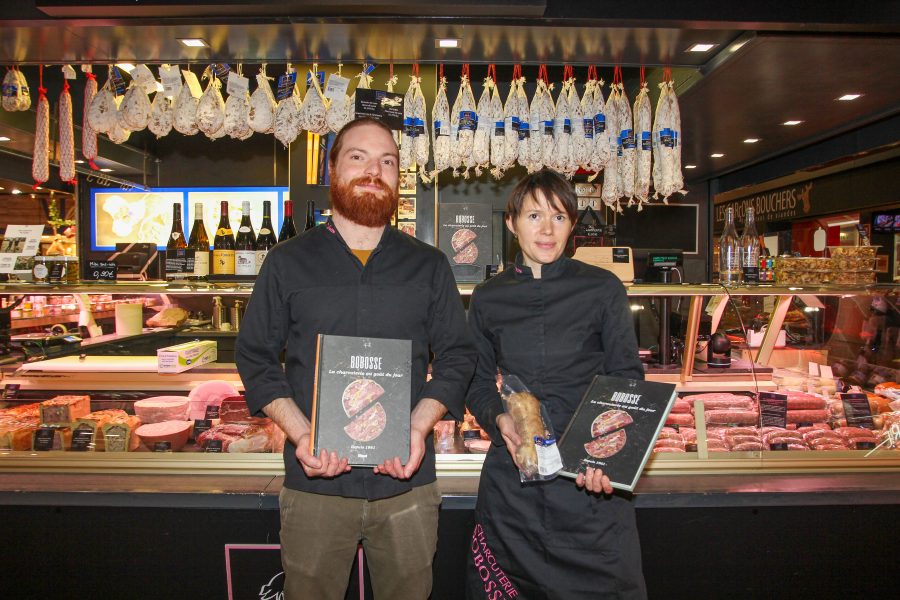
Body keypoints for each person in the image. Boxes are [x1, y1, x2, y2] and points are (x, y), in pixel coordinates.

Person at [235, 116, 476, 600]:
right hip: (315, 486)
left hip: (407, 486)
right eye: (358, 157)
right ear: (332, 171)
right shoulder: (287, 261)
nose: (374, 170)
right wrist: (302, 434)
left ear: (397, 177)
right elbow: (255, 356)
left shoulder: (428, 265)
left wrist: (416, 427)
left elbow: (457, 356)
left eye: (387, 161)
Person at [465, 169, 647, 599]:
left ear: (572, 225)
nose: (547, 229)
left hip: (590, 490)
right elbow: (474, 381)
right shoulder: (488, 297)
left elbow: (627, 379)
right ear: (511, 223)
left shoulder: (604, 289)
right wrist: (498, 420)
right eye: (533, 216)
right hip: (514, 487)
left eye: (559, 217)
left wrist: (612, 459)